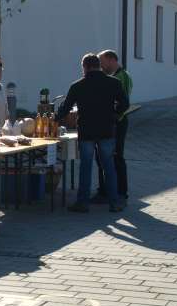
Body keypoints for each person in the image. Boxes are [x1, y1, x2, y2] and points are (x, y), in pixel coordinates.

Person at [56, 53, 129, 213]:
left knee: (86, 166)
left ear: (85, 67)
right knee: (108, 166)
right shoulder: (114, 82)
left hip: (87, 131)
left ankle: (83, 203)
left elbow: (66, 108)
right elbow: (125, 103)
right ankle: (114, 202)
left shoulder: (77, 85)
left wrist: (54, 119)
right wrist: (115, 115)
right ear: (99, 65)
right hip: (107, 130)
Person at [94, 50, 133, 202]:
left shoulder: (121, 77)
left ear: (111, 60)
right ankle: (106, 190)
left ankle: (121, 192)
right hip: (110, 122)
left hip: (117, 123)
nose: (101, 67)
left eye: (102, 63)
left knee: (116, 157)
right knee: (103, 158)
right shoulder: (113, 76)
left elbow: (122, 102)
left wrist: (113, 116)